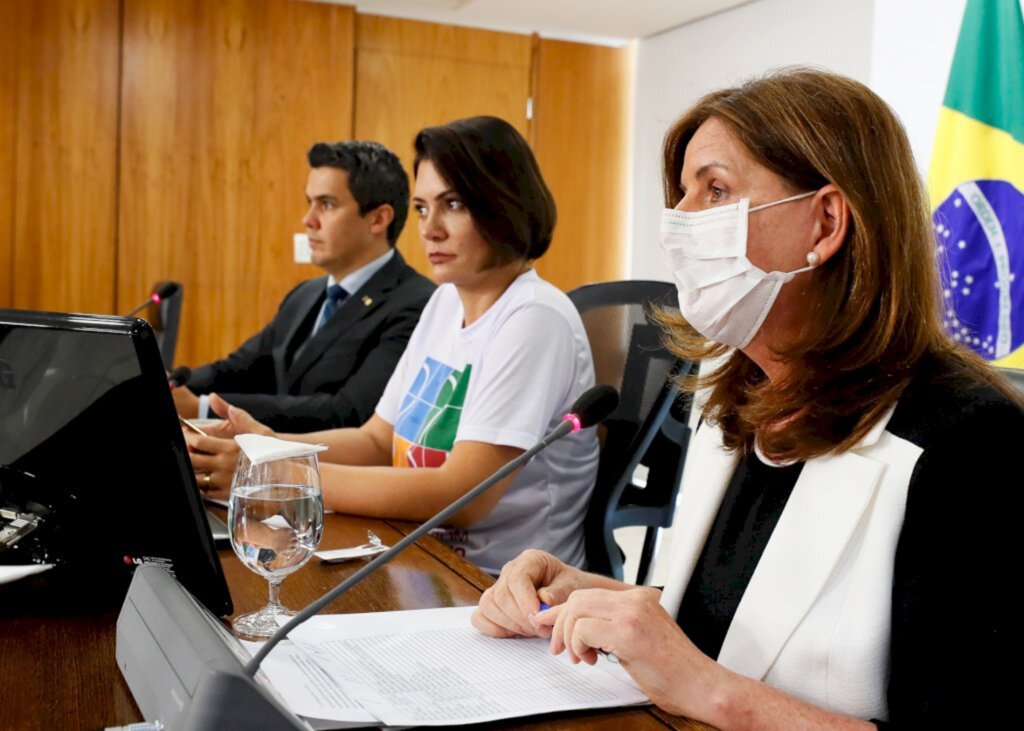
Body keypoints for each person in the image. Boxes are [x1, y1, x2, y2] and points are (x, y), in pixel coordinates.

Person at [472, 69, 1020, 728]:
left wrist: (713, 692)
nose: (680, 223)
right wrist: (586, 595)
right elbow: (732, 618)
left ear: (825, 222)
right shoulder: (735, 393)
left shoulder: (972, 443)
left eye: (717, 190)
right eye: (683, 195)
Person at [187, 116, 600, 574]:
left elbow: (461, 496)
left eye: (455, 204)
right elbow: (377, 439)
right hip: (412, 553)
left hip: (495, 584)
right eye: (423, 209)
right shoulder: (445, 302)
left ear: (506, 205)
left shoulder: (534, 318)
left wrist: (281, 474)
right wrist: (270, 448)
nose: (430, 229)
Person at [172, 141, 435, 432]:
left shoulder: (417, 304)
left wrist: (204, 409)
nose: (308, 220)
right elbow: (240, 369)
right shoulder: (305, 295)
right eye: (309, 202)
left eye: (327, 204)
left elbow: (348, 412)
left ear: (378, 219)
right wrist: (166, 388)